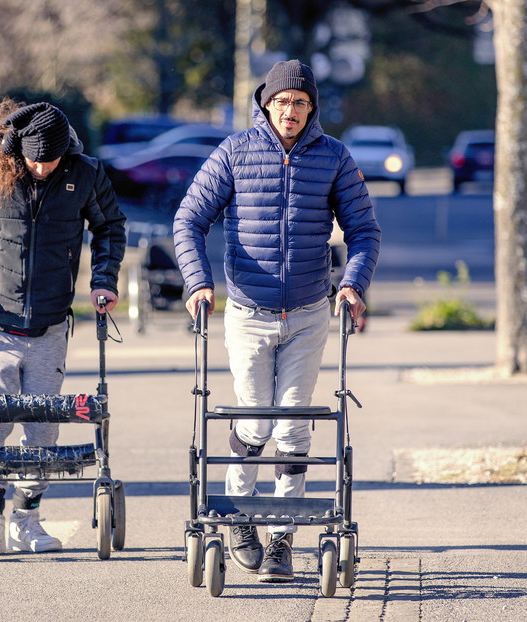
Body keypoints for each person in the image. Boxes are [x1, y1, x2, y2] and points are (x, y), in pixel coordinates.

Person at [173, 60, 381, 582]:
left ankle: (283, 539)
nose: (291, 111)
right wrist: (198, 281)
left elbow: (364, 230)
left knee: (293, 425)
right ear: (266, 104)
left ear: (312, 109)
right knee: (255, 418)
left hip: (310, 313)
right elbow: (189, 219)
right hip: (247, 311)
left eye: (301, 103)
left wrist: (353, 282)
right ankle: (241, 518)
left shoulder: (333, 158)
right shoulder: (235, 152)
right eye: (282, 102)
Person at [0, 100, 127, 556]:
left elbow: (110, 228)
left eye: (52, 160)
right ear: (17, 149)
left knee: (43, 429)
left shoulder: (84, 173)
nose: (42, 168)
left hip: (50, 324)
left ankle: (28, 518)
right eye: (34, 159)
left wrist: (103, 282)